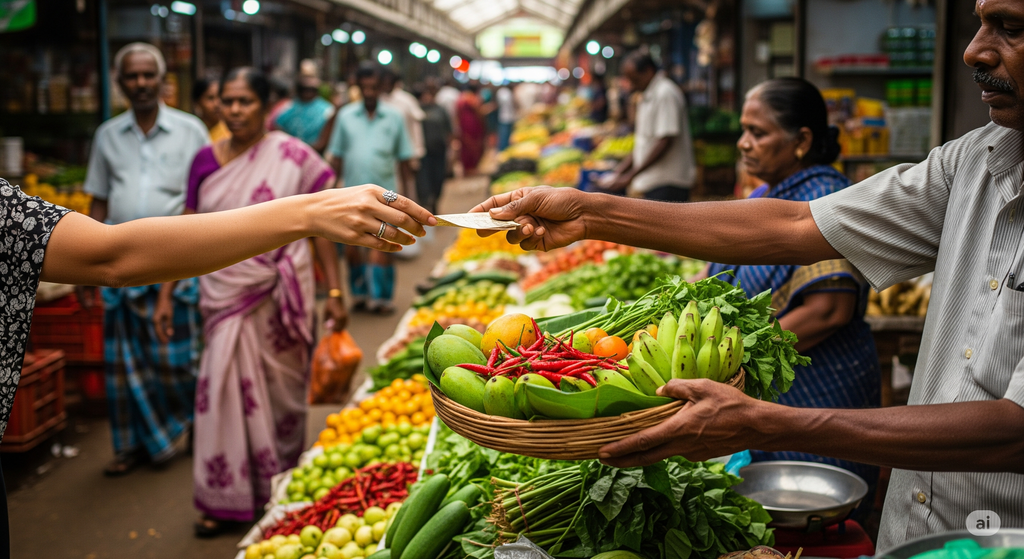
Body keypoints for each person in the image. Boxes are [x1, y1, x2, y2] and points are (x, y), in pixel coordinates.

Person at [473, 0, 1024, 549]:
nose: (974, 48)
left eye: (1012, 28)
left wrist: (766, 419)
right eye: (979, 22)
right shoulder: (971, 163)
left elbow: (1013, 433)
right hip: (915, 529)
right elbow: (794, 226)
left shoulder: (827, 178)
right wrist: (591, 213)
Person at [172, 68, 345, 535]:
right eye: (226, 101)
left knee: (280, 394)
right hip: (223, 293)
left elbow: (323, 225)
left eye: (245, 101)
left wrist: (335, 291)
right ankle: (221, 498)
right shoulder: (204, 162)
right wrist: (166, 294)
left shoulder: (292, 156)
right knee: (220, 389)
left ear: (265, 106)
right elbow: (184, 231)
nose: (234, 110)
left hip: (279, 295)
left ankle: (276, 488)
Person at [700, 78, 880, 491]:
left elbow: (829, 309)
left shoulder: (825, 198)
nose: (744, 143)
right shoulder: (769, 193)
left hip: (819, 392)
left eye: (758, 133)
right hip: (771, 389)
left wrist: (734, 358)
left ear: (801, 140)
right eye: (743, 131)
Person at [82, 42, 208, 476]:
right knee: (124, 366)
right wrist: (86, 263)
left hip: (176, 260)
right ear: (120, 83)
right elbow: (97, 201)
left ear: (162, 80)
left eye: (147, 75)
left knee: (176, 362)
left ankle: (186, 429)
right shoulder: (107, 135)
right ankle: (131, 446)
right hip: (120, 262)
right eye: (131, 77)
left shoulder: (191, 130)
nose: (140, 84)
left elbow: (203, 200)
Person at [327, 63, 415, 314]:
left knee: (383, 248)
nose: (369, 92)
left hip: (388, 196)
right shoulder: (345, 117)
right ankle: (360, 295)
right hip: (351, 195)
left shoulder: (394, 117)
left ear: (381, 88)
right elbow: (337, 156)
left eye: (373, 88)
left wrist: (411, 197)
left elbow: (404, 159)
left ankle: (382, 299)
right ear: (358, 88)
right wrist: (330, 189)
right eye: (364, 87)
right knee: (353, 249)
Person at [602, 52, 696, 202]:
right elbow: (644, 142)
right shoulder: (647, 95)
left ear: (648, 71)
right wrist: (618, 172)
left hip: (668, 182)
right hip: (654, 181)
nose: (632, 84)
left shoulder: (665, 93)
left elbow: (665, 140)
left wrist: (629, 176)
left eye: (635, 79)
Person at [416, 83, 453, 215]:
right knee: (425, 181)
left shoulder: (440, 110)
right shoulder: (417, 110)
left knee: (438, 179)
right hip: (424, 154)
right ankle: (426, 205)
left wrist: (451, 151)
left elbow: (449, 130)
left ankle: (435, 202)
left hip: (439, 152)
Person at [273, 73, 334, 152]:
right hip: (290, 152)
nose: (307, 93)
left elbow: (324, 141)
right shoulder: (288, 106)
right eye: (304, 89)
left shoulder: (327, 110)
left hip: (315, 154)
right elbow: (278, 127)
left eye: (311, 89)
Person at [456, 83, 490, 175]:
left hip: (464, 125)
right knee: (474, 145)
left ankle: (467, 168)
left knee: (466, 146)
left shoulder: (460, 98)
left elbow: (456, 114)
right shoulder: (473, 98)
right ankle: (472, 168)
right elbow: (479, 111)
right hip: (473, 125)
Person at [192, 78, 230, 142]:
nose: (217, 104)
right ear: (197, 102)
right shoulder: (191, 131)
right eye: (210, 98)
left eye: (221, 97)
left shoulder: (230, 133)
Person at [496, 83, 516, 152]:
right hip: (506, 117)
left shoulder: (501, 92)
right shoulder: (506, 92)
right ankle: (502, 151)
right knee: (504, 136)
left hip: (505, 116)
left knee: (505, 136)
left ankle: (503, 150)